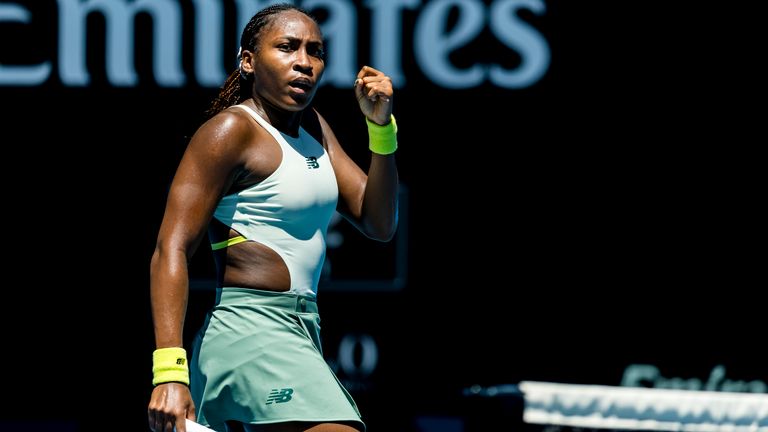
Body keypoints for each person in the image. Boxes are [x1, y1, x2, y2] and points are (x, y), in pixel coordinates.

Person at [146, 4, 399, 432]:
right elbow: (170, 248)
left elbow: (378, 222)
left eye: (315, 51)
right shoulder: (230, 132)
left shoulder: (315, 129)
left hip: (301, 328)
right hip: (249, 332)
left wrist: (381, 129)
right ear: (248, 61)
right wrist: (169, 372)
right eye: (287, 47)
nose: (304, 61)